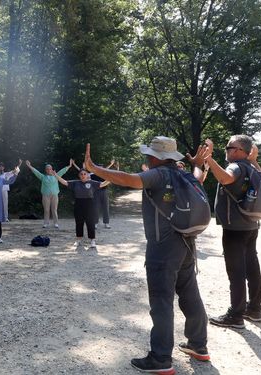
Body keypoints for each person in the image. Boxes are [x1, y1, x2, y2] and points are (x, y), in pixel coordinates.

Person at [84, 137, 209, 374]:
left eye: (148, 155)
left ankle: (161, 359)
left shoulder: (158, 173)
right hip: (187, 243)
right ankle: (198, 345)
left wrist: (94, 169)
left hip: (163, 247)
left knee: (161, 302)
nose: (146, 158)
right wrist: (199, 164)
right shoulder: (183, 174)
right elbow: (199, 177)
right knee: (190, 294)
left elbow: (131, 180)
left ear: (156, 157)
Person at [196, 136, 261, 328]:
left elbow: (226, 178)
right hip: (252, 224)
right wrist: (254, 159)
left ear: (239, 151)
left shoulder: (235, 166)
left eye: (229, 147)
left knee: (236, 272)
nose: (226, 150)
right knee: (252, 266)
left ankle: (235, 315)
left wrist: (209, 158)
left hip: (235, 228)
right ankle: (254, 310)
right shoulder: (252, 166)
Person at [54, 159, 108, 250]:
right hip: (78, 204)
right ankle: (78, 240)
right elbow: (64, 182)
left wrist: (112, 178)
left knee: (90, 223)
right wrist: (55, 175)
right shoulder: (75, 183)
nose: (83, 175)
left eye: (84, 174)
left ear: (87, 175)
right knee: (79, 223)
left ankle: (92, 241)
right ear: (79, 176)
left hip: (90, 204)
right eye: (81, 174)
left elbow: (103, 184)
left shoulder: (92, 183)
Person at [25, 160, 70, 228]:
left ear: (52, 169)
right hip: (46, 195)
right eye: (47, 169)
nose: (49, 170)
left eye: (50, 169)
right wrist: (29, 166)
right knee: (46, 209)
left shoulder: (56, 176)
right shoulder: (43, 177)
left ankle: (56, 223)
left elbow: (63, 171)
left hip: (54, 195)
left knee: (54, 209)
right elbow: (36, 172)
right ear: (45, 170)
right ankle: (46, 223)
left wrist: (69, 166)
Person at [91, 159, 116, 229]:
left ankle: (106, 223)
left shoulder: (105, 175)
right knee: (95, 208)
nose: (101, 169)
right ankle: (95, 222)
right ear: (97, 168)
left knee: (106, 207)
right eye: (100, 168)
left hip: (104, 191)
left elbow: (107, 170)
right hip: (96, 192)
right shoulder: (92, 175)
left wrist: (111, 164)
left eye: (102, 168)